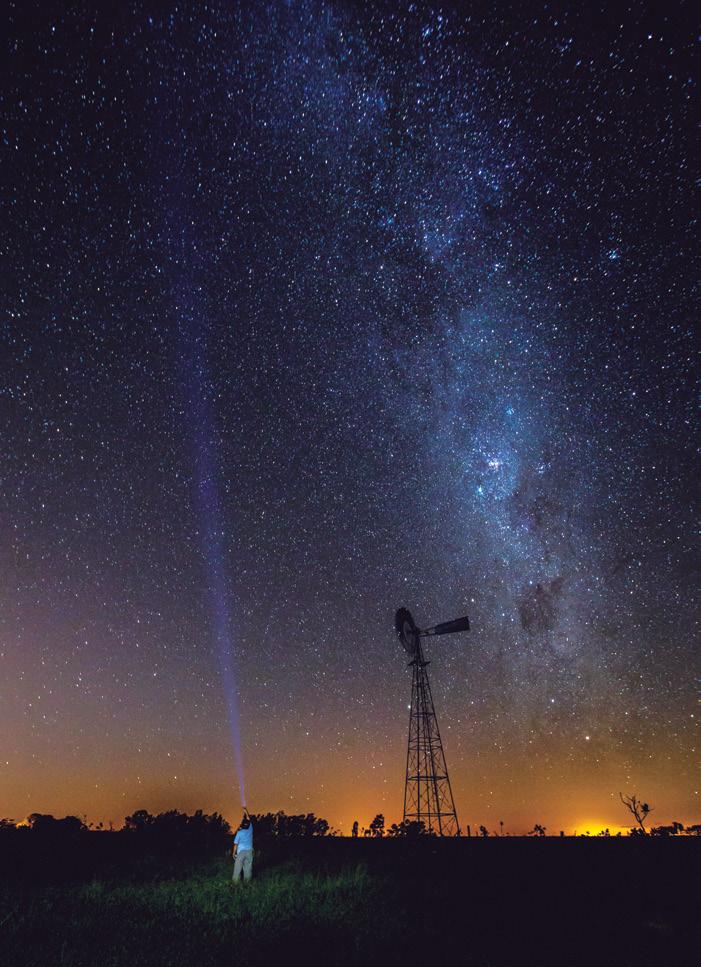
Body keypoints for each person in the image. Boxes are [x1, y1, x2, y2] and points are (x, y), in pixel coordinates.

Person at [232, 808, 253, 885]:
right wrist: (245, 810)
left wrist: (233, 853)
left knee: (237, 869)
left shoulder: (239, 833)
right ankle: (247, 884)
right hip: (249, 852)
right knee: (248, 869)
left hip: (241, 853)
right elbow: (249, 818)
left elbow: (236, 844)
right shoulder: (250, 829)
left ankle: (235, 884)